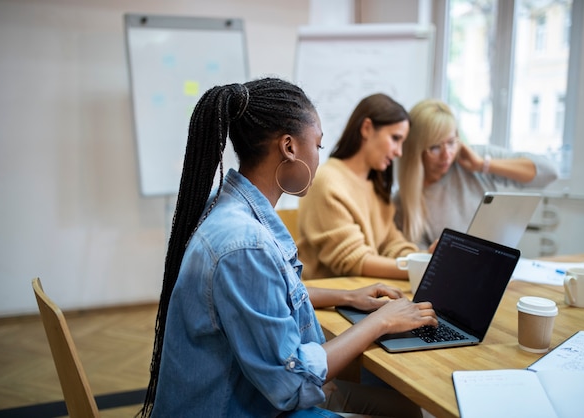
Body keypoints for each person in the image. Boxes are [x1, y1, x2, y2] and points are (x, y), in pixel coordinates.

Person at [138, 78, 437, 418]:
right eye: (318, 146)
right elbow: (293, 382)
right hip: (241, 406)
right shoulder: (245, 245)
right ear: (290, 148)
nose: (319, 159)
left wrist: (349, 297)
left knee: (406, 408)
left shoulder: (228, 208)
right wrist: (380, 322)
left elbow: (268, 294)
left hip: (251, 394)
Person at [396, 98, 558, 249]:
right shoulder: (404, 201)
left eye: (452, 142)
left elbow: (549, 172)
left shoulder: (476, 158)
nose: (447, 155)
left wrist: (483, 165)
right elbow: (418, 261)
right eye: (435, 147)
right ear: (416, 150)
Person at [297, 93, 419, 280]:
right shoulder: (326, 181)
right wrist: (418, 270)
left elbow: (391, 243)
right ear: (367, 128)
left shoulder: (375, 184)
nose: (399, 152)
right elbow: (352, 260)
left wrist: (425, 260)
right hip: (328, 299)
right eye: (395, 138)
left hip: (361, 293)